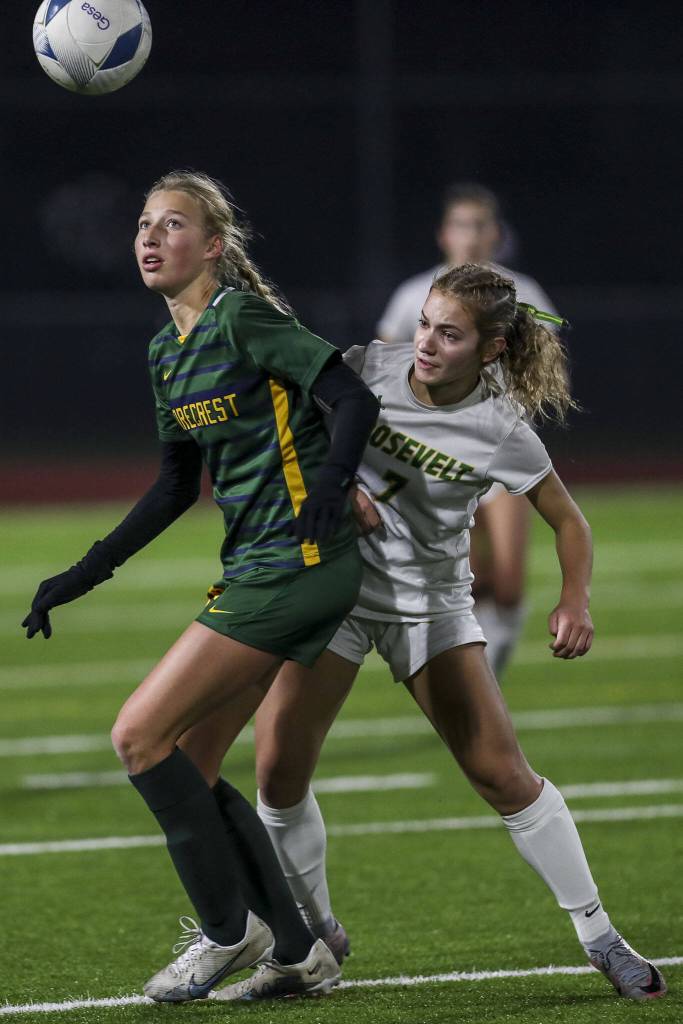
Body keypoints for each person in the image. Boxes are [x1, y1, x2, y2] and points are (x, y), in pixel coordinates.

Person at [206, 264, 664, 1002]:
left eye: (448, 334)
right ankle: (318, 934)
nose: (425, 342)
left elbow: (568, 520)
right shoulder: (367, 367)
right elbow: (293, 430)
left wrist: (574, 599)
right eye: (424, 323)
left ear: (488, 350)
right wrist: (336, 484)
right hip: (337, 595)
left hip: (431, 606)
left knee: (501, 775)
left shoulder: (499, 428)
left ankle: (599, 936)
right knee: (277, 775)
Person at [21, 170, 380, 1003]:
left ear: (213, 247)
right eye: (143, 225)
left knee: (137, 737)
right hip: (257, 569)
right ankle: (296, 950)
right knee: (190, 759)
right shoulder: (165, 353)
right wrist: (81, 575)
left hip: (299, 567)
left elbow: (350, 396)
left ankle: (230, 930)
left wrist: (331, 484)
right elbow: (173, 490)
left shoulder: (244, 320)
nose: (148, 237)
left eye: (172, 225)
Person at [377, 183, 559, 677]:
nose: (471, 236)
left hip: (496, 453)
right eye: (461, 225)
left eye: (480, 226)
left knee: (510, 583)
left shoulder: (525, 295)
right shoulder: (415, 295)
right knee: (466, 577)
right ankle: (473, 681)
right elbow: (387, 365)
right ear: (444, 234)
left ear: (496, 234)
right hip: (437, 455)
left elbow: (543, 366)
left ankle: (486, 670)